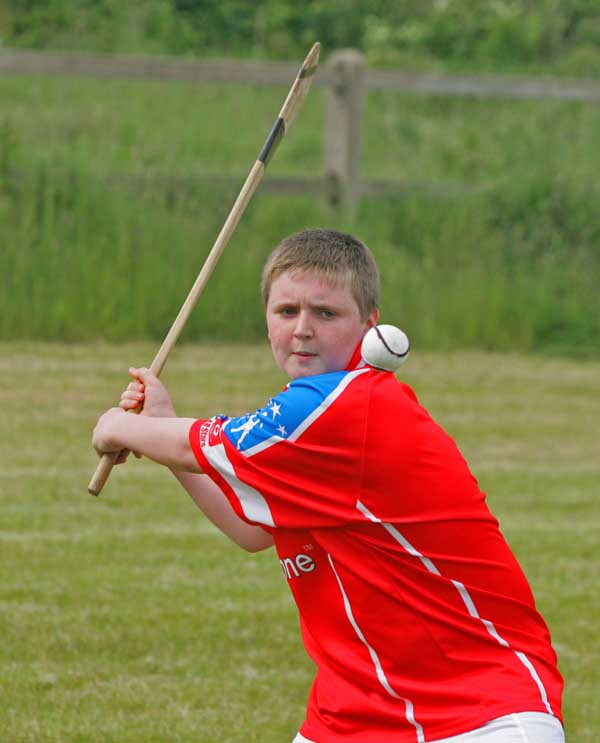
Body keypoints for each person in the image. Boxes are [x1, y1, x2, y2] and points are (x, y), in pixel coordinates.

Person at [93, 229, 565, 743]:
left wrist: (120, 427)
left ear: (369, 325)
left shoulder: (345, 407)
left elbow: (196, 444)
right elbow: (252, 532)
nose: (302, 330)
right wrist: (163, 423)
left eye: (326, 313)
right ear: (266, 321)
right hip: (352, 716)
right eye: (286, 311)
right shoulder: (313, 420)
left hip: (481, 711)